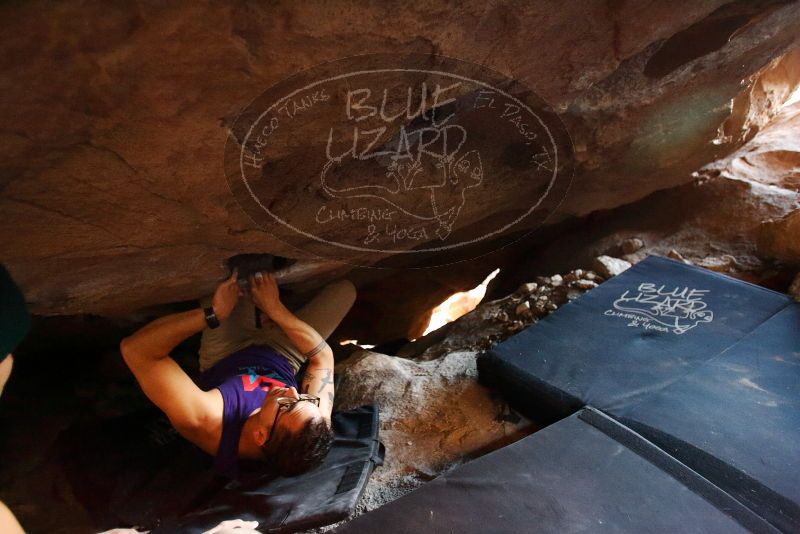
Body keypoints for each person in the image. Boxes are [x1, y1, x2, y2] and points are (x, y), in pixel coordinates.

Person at [120, 271, 356, 478]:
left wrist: (214, 314)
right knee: (345, 291)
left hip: (227, 352)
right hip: (284, 353)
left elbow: (137, 350)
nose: (293, 390)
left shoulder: (208, 419)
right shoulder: (311, 422)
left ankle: (252, 310)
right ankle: (266, 312)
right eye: (305, 398)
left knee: (229, 276)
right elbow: (322, 357)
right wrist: (276, 310)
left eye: (287, 405)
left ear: (260, 435)